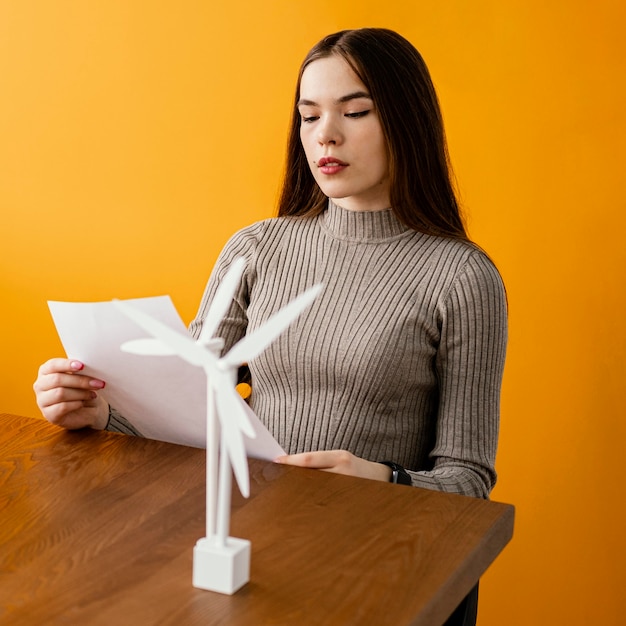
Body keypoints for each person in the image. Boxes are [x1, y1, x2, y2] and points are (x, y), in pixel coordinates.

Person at [34, 28, 507, 625]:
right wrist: (99, 413)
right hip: (246, 536)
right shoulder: (257, 249)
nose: (325, 136)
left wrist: (382, 478)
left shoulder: (462, 278)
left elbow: (468, 481)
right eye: (308, 117)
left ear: (407, 122)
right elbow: (190, 403)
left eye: (354, 111)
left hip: (368, 558)